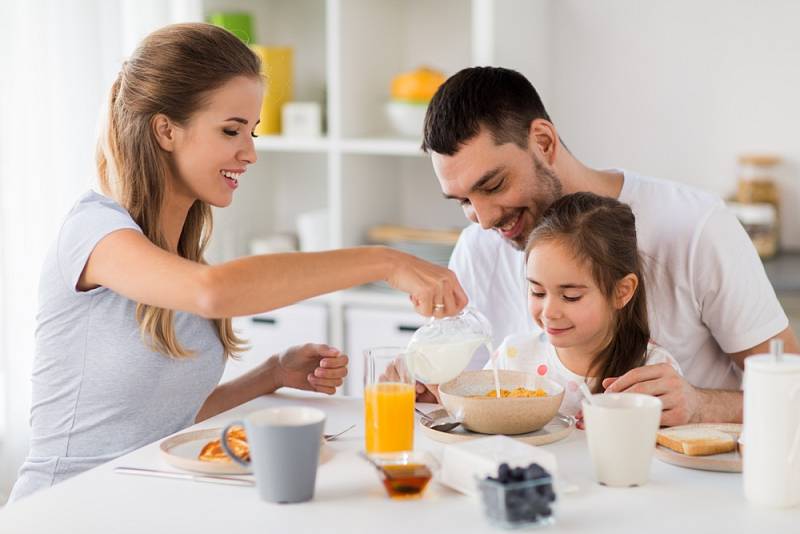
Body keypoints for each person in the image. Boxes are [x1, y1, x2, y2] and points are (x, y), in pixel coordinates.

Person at [9, 23, 467, 502]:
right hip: (64, 507)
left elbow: (166, 420)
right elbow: (216, 291)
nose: (249, 153)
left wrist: (272, 374)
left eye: (251, 131)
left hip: (143, 501)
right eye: (231, 130)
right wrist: (382, 261)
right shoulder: (94, 232)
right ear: (166, 130)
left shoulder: (177, 257)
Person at [419, 66, 799, 425]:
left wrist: (698, 405)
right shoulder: (478, 248)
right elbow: (470, 400)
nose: (484, 220)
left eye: (493, 186)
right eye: (464, 202)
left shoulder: (695, 226)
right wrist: (426, 388)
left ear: (543, 142)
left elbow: (792, 390)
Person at [489, 192, 681, 421]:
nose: (549, 311)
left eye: (571, 296)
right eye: (537, 292)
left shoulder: (653, 373)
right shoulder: (512, 358)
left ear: (622, 291)